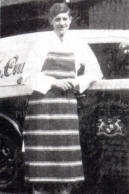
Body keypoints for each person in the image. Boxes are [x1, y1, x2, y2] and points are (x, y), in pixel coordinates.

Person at [22, 2, 103, 194]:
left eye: (65, 19)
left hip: (65, 108)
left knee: (64, 158)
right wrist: (53, 82)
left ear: (70, 20)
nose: (61, 23)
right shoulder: (41, 43)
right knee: (42, 157)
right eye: (57, 19)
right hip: (42, 107)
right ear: (51, 21)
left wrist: (76, 82)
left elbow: (95, 72)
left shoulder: (78, 44)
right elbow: (27, 76)